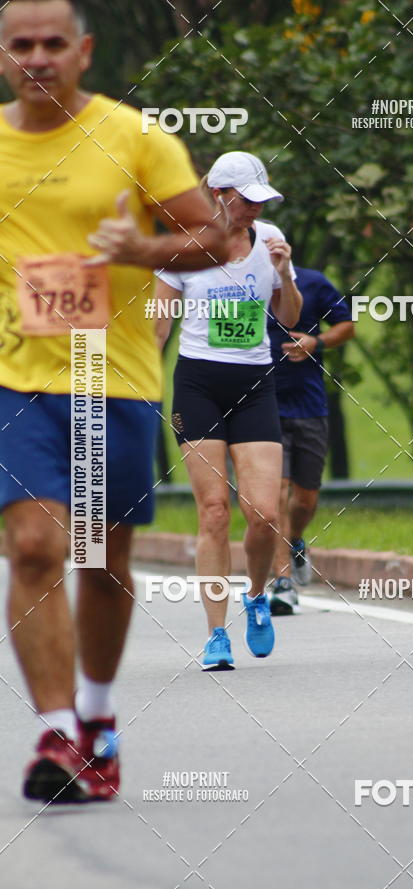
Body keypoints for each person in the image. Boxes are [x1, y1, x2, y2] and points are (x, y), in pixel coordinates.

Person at [0, 0, 228, 803]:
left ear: (83, 51)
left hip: (111, 377)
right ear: (0, 56)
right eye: (20, 45)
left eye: (52, 43)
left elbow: (218, 239)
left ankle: (97, 720)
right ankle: (58, 734)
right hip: (15, 381)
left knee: (102, 561)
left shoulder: (133, 137)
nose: (37, 57)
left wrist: (144, 248)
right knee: (32, 547)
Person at [155, 151, 302, 670]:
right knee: (214, 510)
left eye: (262, 201)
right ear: (219, 196)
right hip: (197, 384)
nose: (255, 210)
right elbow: (159, 325)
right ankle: (216, 634)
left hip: (255, 383)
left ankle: (257, 595)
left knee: (262, 513)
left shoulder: (270, 239)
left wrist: (285, 272)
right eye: (246, 200)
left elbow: (287, 318)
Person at [267, 267, 354, 614]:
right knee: (276, 493)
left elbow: (347, 327)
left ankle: (296, 542)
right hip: (262, 407)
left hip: (309, 405)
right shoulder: (241, 285)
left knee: (304, 499)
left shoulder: (313, 282)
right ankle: (283, 582)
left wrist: (316, 342)